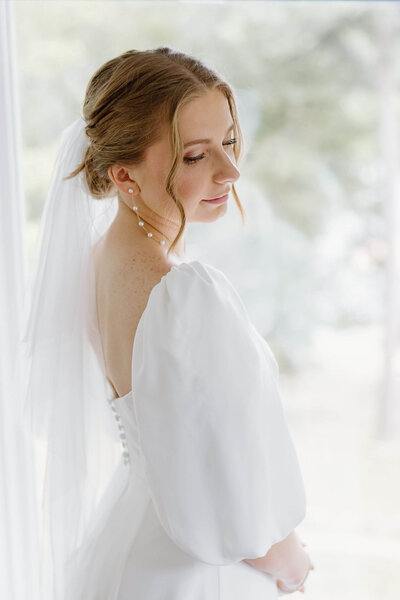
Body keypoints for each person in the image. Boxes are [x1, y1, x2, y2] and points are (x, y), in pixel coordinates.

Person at [21, 47, 314, 600]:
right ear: (124, 176)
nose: (231, 170)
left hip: (130, 549)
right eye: (195, 156)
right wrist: (288, 558)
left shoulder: (98, 259)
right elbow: (222, 467)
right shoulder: (185, 294)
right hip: (196, 568)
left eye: (228, 141)